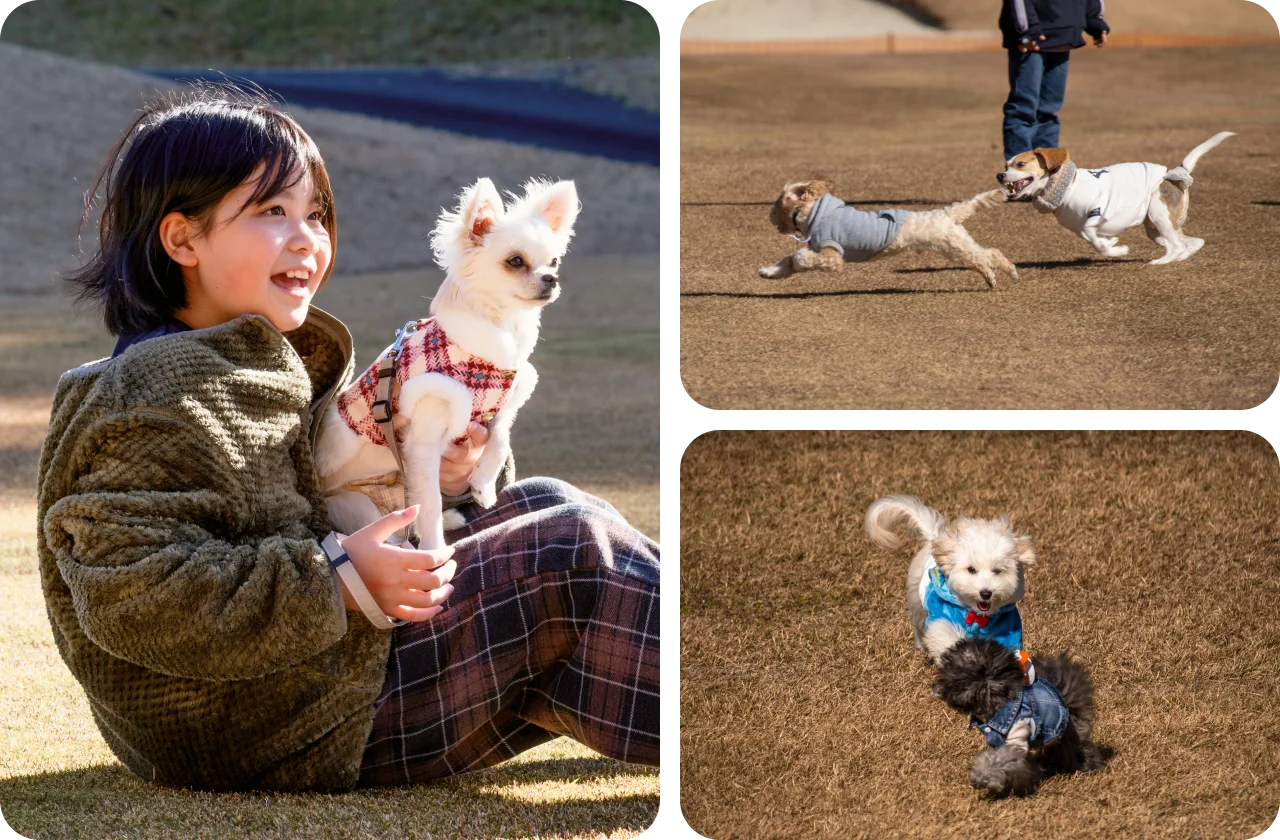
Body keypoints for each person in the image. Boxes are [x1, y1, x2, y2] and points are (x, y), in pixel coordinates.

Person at [38, 84, 661, 793]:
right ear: (182, 238)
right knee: (566, 550)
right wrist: (333, 577)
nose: (308, 237)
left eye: (315, 213)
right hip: (266, 718)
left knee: (542, 503)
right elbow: (131, 593)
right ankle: (737, 691)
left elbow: (326, 495)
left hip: (315, 675)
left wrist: (450, 478)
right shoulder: (149, 388)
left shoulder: (253, 358)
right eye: (273, 212)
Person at [999, 0, 1110, 162]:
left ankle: (1048, 172)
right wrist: (1026, 28)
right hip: (1032, 39)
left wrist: (1094, 20)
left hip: (1065, 33)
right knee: (1023, 110)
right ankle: (1019, 174)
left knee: (1048, 111)